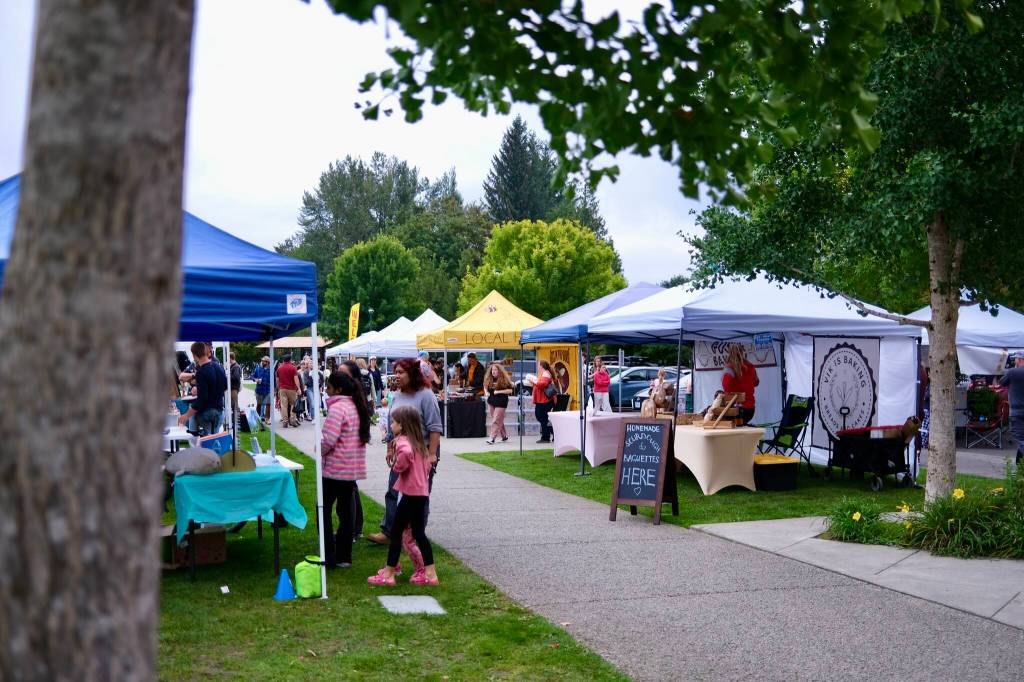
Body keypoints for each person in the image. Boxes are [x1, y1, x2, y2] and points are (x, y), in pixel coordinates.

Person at [367, 358, 443, 548]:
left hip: (422, 452)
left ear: (413, 374)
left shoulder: (426, 396)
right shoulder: (397, 395)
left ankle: (417, 534)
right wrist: (390, 448)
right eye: (396, 372)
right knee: (394, 490)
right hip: (401, 451)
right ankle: (389, 531)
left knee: (419, 496)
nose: (397, 376)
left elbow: (435, 428)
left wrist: (432, 454)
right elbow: (394, 426)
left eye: (401, 372)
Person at [367, 405, 439, 586]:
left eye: (393, 422)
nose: (391, 425)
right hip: (421, 494)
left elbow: (405, 456)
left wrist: (397, 466)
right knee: (418, 534)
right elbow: (427, 467)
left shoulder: (403, 443)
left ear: (403, 425)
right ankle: (430, 575)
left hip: (410, 495)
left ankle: (389, 574)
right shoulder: (420, 445)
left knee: (396, 532)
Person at [320, 370, 370, 568]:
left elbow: (329, 439)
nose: (327, 391)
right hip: (350, 469)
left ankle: (328, 553)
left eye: (329, 387)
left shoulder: (338, 408)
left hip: (335, 468)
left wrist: (320, 448)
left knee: (323, 510)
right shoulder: (356, 406)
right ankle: (344, 556)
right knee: (345, 512)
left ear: (338, 389)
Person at [177, 341, 226, 435]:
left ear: (194, 355)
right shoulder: (218, 367)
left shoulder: (201, 372)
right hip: (220, 411)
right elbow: (224, 386)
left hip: (207, 413)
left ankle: (193, 433)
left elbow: (202, 400)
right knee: (214, 441)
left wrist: (186, 416)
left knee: (208, 442)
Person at [722, 344, 759, 424]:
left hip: (735, 409)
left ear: (730, 353)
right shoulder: (751, 366)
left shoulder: (730, 367)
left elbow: (726, 385)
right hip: (750, 409)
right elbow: (756, 382)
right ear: (742, 352)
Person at [998, 353, 1024, 465]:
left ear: (1020, 360)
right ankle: (1020, 467)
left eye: (1016, 360)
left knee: (1019, 438)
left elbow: (1001, 382)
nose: (1015, 362)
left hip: (1017, 412)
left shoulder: (1013, 372)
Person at [484, 362, 513, 444]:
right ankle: (504, 436)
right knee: (497, 419)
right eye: (492, 370)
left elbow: (510, 390)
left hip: (501, 402)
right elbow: (485, 386)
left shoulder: (504, 379)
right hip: (491, 402)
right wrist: (486, 392)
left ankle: (492, 438)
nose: (493, 371)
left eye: (495, 370)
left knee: (496, 420)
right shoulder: (489, 378)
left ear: (499, 371)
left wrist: (499, 391)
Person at [275, 353, 302, 428]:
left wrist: (278, 388)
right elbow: (296, 379)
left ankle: (285, 421)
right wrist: (299, 388)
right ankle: (292, 420)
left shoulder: (279, 368)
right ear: (290, 360)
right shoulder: (293, 368)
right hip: (292, 389)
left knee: (284, 406)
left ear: (283, 360)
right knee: (294, 404)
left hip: (282, 389)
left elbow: (277, 380)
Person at [533, 360, 555, 443]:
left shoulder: (546, 374)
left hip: (545, 401)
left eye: (538, 365)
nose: (537, 366)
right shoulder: (544, 374)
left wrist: (534, 381)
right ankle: (554, 434)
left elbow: (543, 384)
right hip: (542, 400)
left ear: (541, 366)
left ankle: (546, 437)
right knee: (543, 418)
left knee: (542, 418)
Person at [228, 352, 242, 419]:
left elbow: (236, 377)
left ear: (230, 358)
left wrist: (227, 376)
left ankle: (237, 420)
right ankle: (235, 419)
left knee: (235, 405)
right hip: (232, 388)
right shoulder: (232, 366)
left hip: (234, 388)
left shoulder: (236, 366)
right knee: (232, 404)